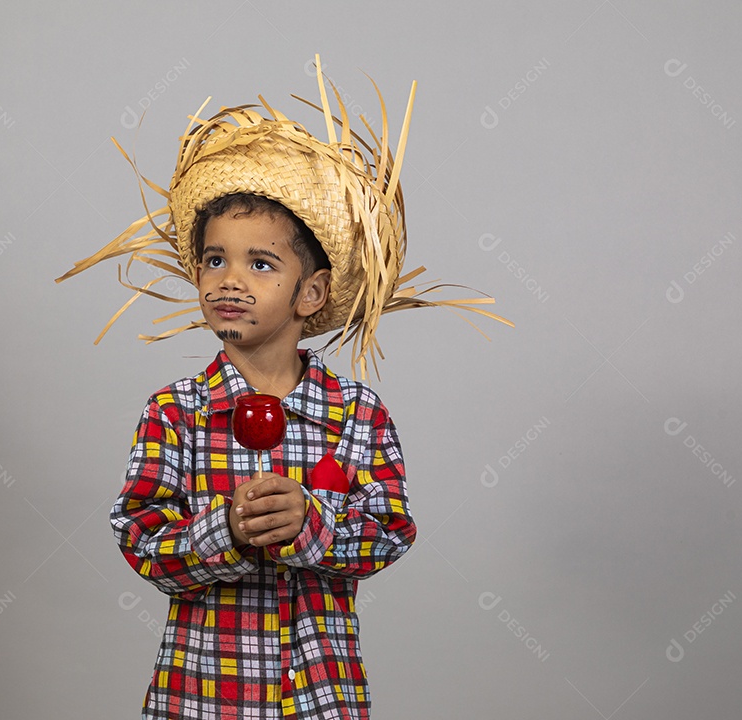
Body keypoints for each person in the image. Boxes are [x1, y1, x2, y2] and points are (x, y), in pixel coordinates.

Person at [55, 55, 511, 719]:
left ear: (312, 292)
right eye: (215, 259)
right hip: (203, 696)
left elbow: (389, 530)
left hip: (319, 697)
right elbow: (143, 541)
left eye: (260, 263)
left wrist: (312, 524)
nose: (229, 280)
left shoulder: (358, 416)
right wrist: (226, 532)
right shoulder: (176, 413)